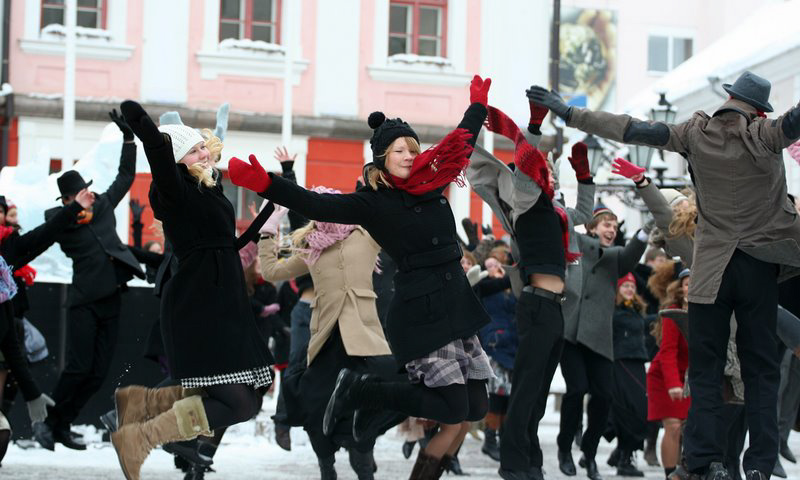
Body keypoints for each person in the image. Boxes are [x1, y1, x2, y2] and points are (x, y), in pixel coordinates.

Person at [530, 71, 800, 479]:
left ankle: (706, 461)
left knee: (705, 370)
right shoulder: (768, 133)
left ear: (728, 100)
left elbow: (629, 128)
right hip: (758, 268)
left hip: (710, 271)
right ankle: (760, 464)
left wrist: (570, 113)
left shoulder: (693, 133)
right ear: (759, 110)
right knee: (761, 370)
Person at [227, 75, 493, 479]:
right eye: (399, 150)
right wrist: (268, 183)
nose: (408, 155)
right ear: (381, 157)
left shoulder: (432, 182)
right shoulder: (373, 203)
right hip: (423, 312)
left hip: (457, 305)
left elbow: (462, 142)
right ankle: (361, 390)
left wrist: (477, 107)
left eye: (412, 148)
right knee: (453, 407)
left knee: (475, 407)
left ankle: (364, 394)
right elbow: (315, 204)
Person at [109, 101, 274, 480]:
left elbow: (227, 244)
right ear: (177, 160)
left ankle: (143, 408)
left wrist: (267, 213)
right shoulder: (175, 190)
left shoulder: (208, 187)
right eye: (194, 150)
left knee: (251, 393)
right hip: (199, 303)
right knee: (237, 402)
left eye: (203, 147)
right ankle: (143, 434)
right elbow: (161, 160)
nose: (204, 153)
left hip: (225, 300)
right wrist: (148, 133)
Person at [258, 192, 397, 480]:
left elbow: (400, 230)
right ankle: (326, 464)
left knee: (389, 391)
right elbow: (271, 271)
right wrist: (268, 229)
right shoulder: (311, 246)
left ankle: (362, 455)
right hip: (326, 336)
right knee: (313, 401)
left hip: (363, 337)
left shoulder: (366, 235)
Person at [35, 111, 145, 451]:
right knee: (78, 369)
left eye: (85, 191)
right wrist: (73, 209)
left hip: (111, 298)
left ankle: (62, 424)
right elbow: (47, 228)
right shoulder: (60, 220)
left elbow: (126, 175)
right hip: (83, 302)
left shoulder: (104, 205)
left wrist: (129, 139)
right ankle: (49, 423)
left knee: (98, 374)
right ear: (67, 201)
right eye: (77, 196)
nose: (86, 197)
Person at [0, 188, 95, 463]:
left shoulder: (6, 267)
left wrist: (33, 395)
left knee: (2, 430)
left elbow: (43, 236)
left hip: (10, 332)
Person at [555, 205, 649, 480]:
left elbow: (632, 254)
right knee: (576, 390)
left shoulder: (616, 256)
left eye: (615, 227)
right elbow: (563, 228)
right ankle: (564, 448)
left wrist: (647, 229)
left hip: (599, 339)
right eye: (607, 225)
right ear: (592, 227)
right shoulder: (575, 244)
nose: (612, 230)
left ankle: (590, 452)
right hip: (572, 334)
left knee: (604, 396)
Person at [647, 269, 691, 480]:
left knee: (690, 429)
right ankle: (670, 475)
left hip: (692, 377)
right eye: (687, 284)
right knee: (673, 426)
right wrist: (674, 383)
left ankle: (686, 472)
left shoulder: (711, 311)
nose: (691, 288)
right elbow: (668, 351)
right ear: (680, 288)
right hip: (665, 376)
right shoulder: (674, 311)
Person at [606, 273, 650, 477]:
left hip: (637, 362)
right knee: (627, 409)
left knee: (640, 410)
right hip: (621, 361)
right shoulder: (612, 310)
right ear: (617, 289)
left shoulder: (637, 311)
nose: (630, 289)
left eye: (632, 286)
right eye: (625, 286)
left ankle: (622, 452)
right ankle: (624, 456)